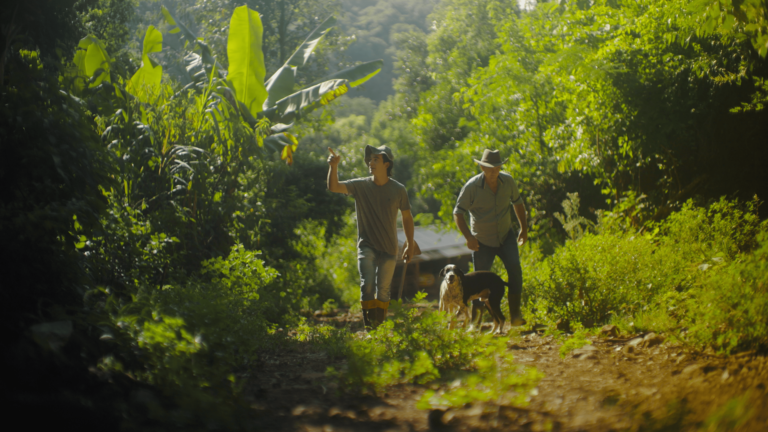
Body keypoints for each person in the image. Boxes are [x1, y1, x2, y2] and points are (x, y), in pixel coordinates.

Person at [327, 145, 415, 330]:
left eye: (376, 159)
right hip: (366, 245)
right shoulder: (360, 185)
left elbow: (407, 217)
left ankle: (379, 330)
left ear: (386, 164)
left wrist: (409, 242)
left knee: (383, 291)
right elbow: (333, 186)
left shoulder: (399, 190)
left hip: (390, 248)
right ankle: (369, 329)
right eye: (370, 159)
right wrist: (333, 167)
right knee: (367, 286)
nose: (371, 162)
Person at [453, 149, 528, 327]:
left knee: (515, 271)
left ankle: (515, 316)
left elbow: (518, 203)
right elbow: (458, 213)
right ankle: (476, 323)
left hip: (505, 236)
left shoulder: (508, 181)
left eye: (496, 167)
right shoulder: (472, 187)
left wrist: (524, 229)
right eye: (489, 168)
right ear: (481, 167)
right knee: (478, 282)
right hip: (482, 241)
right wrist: (469, 237)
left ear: (501, 166)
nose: (493, 171)